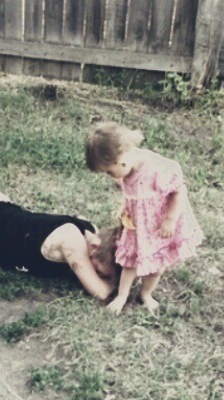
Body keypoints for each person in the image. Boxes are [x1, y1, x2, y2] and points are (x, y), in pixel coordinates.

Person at [86, 122, 204, 315]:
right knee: (130, 262)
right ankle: (122, 296)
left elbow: (179, 191)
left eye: (109, 171)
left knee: (157, 267)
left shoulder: (157, 169)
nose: (110, 176)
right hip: (138, 226)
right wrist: (124, 206)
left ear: (121, 159)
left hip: (159, 227)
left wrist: (170, 220)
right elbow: (130, 192)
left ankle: (146, 294)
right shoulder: (126, 170)